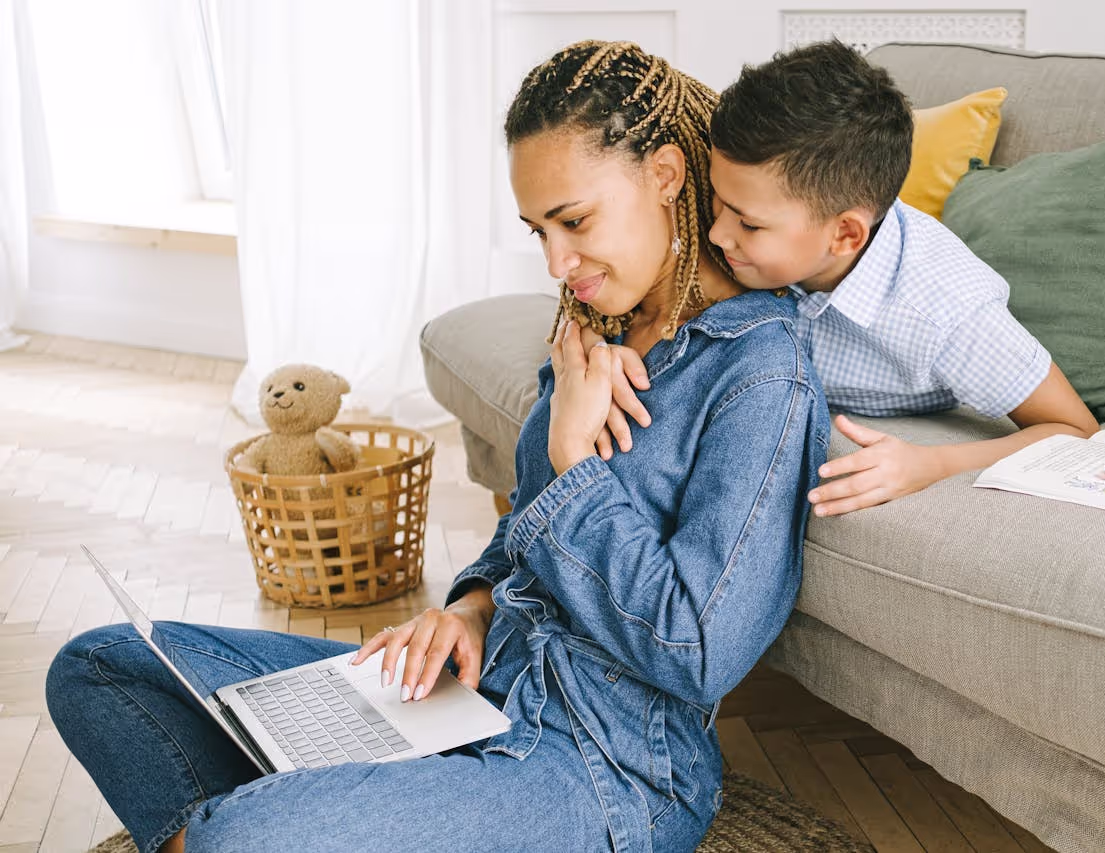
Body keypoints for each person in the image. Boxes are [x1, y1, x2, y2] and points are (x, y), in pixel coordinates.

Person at [44, 40, 828, 853]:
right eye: (538, 230)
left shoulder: (760, 375)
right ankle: (318, 805)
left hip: (600, 763)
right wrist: (471, 607)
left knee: (240, 837)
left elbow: (698, 650)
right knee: (99, 665)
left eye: (574, 221)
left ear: (665, 174)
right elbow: (522, 529)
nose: (558, 262)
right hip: (470, 689)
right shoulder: (594, 326)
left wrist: (577, 466)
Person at [594, 39, 1100, 517]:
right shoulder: (753, 219)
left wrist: (932, 464)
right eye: (716, 202)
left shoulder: (945, 309)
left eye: (747, 222)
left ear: (844, 235)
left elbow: (1074, 428)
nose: (719, 234)